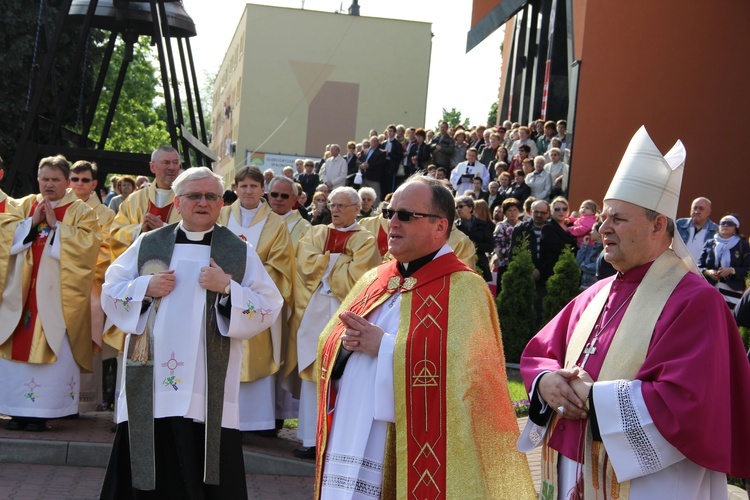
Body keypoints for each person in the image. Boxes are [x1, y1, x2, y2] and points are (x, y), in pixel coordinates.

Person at [519, 126, 750, 499]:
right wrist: (546, 382)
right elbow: (541, 353)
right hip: (570, 466)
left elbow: (688, 403)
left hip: (647, 480)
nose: (603, 228)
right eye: (604, 217)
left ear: (659, 225)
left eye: (618, 219)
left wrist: (593, 399)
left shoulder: (695, 301)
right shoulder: (596, 294)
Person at [314, 176, 535, 498]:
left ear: (439, 226)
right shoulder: (374, 278)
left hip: (403, 440)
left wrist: (385, 346)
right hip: (350, 424)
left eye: (406, 215)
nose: (392, 222)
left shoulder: (463, 287)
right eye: (390, 212)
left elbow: (469, 372)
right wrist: (343, 346)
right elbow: (329, 341)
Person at [100, 167, 283, 498]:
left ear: (221, 203)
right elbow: (111, 291)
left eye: (211, 196)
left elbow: (269, 306)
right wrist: (145, 286)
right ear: (177, 201)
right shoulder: (148, 244)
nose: (203, 202)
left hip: (205, 384)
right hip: (152, 380)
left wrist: (228, 287)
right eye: (194, 196)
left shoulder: (238, 251)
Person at [0, 155, 100, 431]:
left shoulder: (81, 211)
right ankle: (15, 410)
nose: (49, 184)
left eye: (56, 179)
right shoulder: (23, 205)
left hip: (58, 298)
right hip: (20, 294)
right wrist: (31, 222)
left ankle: (43, 412)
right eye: (44, 179)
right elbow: (3, 232)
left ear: (68, 182)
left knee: (53, 343)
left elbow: (88, 246)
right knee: (15, 342)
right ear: (38, 179)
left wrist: (58, 227)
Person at [289, 187, 381, 459]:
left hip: (346, 310)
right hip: (315, 310)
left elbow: (360, 274)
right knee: (312, 371)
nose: (336, 210)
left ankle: (336, 442)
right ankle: (311, 438)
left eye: (342, 205)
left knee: (342, 375)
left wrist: (326, 261)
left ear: (357, 208)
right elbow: (305, 265)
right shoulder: (317, 232)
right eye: (333, 205)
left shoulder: (365, 239)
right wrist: (338, 260)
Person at [217, 166, 294, 434]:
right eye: (243, 186)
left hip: (255, 298)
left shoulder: (276, 224)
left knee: (255, 353)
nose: (248, 191)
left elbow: (282, 266)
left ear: (263, 190)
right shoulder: (222, 215)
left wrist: (249, 277)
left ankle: (254, 423)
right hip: (221, 295)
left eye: (254, 186)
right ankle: (221, 417)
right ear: (235, 188)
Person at [110, 146, 182, 261]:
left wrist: (164, 229)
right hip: (139, 272)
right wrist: (140, 230)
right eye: (166, 162)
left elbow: (200, 233)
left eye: (175, 162)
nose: (172, 167)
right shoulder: (134, 200)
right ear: (152, 167)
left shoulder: (189, 198)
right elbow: (115, 232)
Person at [699, 214, 750, 308]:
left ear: (736, 228)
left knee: (728, 319)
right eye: (722, 223)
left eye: (730, 224)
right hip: (710, 287)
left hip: (732, 290)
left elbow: (747, 269)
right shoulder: (710, 243)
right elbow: (698, 266)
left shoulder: (743, 245)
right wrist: (708, 272)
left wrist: (731, 270)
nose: (725, 225)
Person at [455, 196, 494, 282]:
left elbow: (490, 246)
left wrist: (473, 245)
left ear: (470, 208)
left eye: (461, 206)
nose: (458, 209)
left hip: (480, 264)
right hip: (461, 265)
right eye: (456, 207)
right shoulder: (455, 227)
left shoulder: (482, 224)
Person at [675, 196, 718, 264]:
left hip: (700, 272)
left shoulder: (715, 231)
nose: (697, 211)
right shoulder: (679, 225)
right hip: (677, 269)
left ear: (708, 212)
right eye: (694, 208)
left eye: (701, 208)